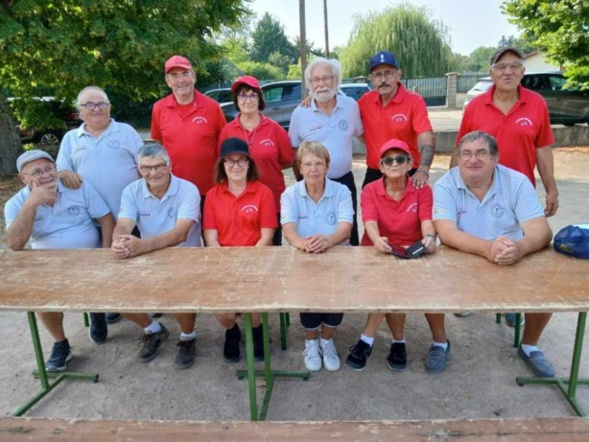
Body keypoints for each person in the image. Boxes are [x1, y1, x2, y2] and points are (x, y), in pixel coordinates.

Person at [434, 131, 555, 378]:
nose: (472, 160)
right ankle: (439, 342)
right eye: (465, 154)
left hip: (511, 255)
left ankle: (529, 345)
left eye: (481, 153)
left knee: (549, 284)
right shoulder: (445, 184)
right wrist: (486, 248)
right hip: (463, 255)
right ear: (457, 158)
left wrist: (519, 248)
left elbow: (541, 231)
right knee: (425, 284)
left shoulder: (517, 182)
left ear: (495, 158)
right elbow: (446, 233)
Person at [453, 47, 559, 326]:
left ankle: (511, 302)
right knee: (476, 241)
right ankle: (470, 297)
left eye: (514, 66)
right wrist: (454, 187)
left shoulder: (536, 104)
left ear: (523, 72)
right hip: (478, 189)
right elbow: (462, 149)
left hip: (517, 191)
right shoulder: (475, 106)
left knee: (514, 243)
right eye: (501, 67)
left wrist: (551, 189)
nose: (508, 72)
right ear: (491, 73)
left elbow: (543, 150)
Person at [4, 150, 115, 372]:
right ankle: (60, 343)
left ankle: (97, 312)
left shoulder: (78, 188)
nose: (45, 175)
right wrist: (31, 204)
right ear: (23, 178)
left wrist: (105, 253)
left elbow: (105, 218)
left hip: (89, 257)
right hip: (48, 265)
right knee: (40, 297)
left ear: (56, 168)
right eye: (36, 172)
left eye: (48, 168)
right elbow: (15, 244)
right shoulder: (15, 204)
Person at [345, 139, 446, 373]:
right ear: (380, 167)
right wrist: (378, 239)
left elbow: (426, 221)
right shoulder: (371, 189)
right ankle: (396, 342)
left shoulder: (422, 190)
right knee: (388, 286)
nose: (394, 163)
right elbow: (369, 221)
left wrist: (429, 238)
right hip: (377, 249)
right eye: (388, 160)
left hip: (410, 251)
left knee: (395, 286)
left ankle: (368, 341)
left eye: (400, 159)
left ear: (410, 163)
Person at [57, 85, 144, 327]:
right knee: (95, 267)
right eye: (89, 105)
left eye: (101, 104)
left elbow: (145, 165)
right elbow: (61, 168)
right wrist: (64, 173)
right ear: (79, 111)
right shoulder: (70, 139)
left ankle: (142, 305)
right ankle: (99, 312)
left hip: (129, 215)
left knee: (134, 264)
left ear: (109, 107)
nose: (96, 109)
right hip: (89, 220)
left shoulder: (125, 132)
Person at [111, 143, 201, 369]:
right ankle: (153, 329)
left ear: (169, 165)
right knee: (113, 294)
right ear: (138, 168)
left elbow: (181, 234)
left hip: (184, 257)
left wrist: (142, 247)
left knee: (178, 295)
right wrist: (119, 241)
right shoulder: (131, 190)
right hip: (147, 257)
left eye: (159, 166)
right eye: (146, 168)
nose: (153, 173)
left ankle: (187, 337)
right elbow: (124, 223)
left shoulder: (188, 189)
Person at [281, 141, 354, 372]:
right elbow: (288, 228)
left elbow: (345, 228)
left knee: (334, 303)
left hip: (336, 254)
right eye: (308, 164)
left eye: (319, 163)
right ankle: (311, 342)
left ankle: (327, 340)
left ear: (327, 166)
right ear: (300, 168)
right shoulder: (290, 193)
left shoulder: (341, 191)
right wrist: (304, 245)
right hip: (304, 257)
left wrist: (327, 241)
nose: (313, 169)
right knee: (309, 303)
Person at [203, 138, 277, 363]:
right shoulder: (213, 195)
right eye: (230, 161)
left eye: (241, 160)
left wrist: (247, 265)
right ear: (222, 165)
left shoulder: (263, 193)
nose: (236, 166)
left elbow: (267, 235)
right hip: (223, 262)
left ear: (249, 163)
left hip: (257, 260)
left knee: (253, 304)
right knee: (221, 310)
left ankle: (256, 329)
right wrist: (227, 265)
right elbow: (210, 237)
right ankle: (232, 330)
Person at [289, 57, 363, 245]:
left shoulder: (351, 107)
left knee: (347, 234)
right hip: (311, 183)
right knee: (310, 234)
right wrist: (303, 181)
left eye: (326, 78)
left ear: (336, 80)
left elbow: (362, 135)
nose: (321, 84)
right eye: (316, 79)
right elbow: (294, 151)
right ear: (309, 84)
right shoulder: (300, 113)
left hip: (343, 182)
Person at [218, 75, 294, 245]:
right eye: (243, 95)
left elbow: (288, 160)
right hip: (239, 203)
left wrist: (266, 166)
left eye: (253, 95)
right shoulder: (227, 131)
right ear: (236, 100)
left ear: (259, 99)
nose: (248, 100)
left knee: (271, 250)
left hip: (272, 201)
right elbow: (222, 164)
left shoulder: (275, 129)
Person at [151, 55, 227, 207]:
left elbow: (225, 145)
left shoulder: (212, 107)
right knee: (179, 231)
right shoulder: (159, 108)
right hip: (173, 190)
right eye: (175, 75)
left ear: (194, 77)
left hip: (209, 189)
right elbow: (158, 147)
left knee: (210, 231)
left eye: (185, 74)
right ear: (168, 81)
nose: (181, 80)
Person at [358, 51, 435, 189]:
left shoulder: (414, 101)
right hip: (376, 172)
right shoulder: (364, 102)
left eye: (388, 73)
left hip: (406, 170)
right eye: (378, 75)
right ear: (371, 78)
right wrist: (313, 99)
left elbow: (427, 139)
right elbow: (340, 112)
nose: (383, 80)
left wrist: (423, 169)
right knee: (369, 209)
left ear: (398, 74)